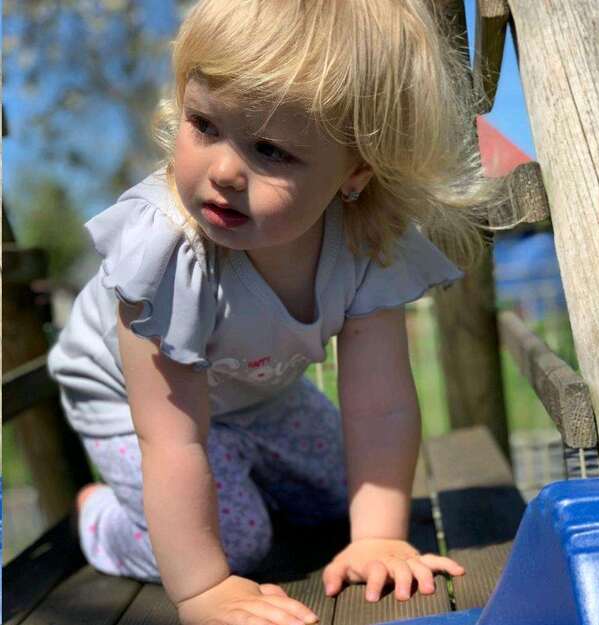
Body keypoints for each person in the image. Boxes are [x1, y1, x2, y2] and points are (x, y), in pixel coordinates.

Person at [48, 1, 503, 624]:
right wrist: (204, 590)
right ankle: (102, 521)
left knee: (347, 496)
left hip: (255, 391)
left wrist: (377, 539)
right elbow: (171, 436)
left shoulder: (367, 242)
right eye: (204, 125)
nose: (226, 171)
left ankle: (244, 467)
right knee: (237, 540)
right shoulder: (167, 248)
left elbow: (381, 406)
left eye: (271, 150)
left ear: (356, 170)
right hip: (133, 402)